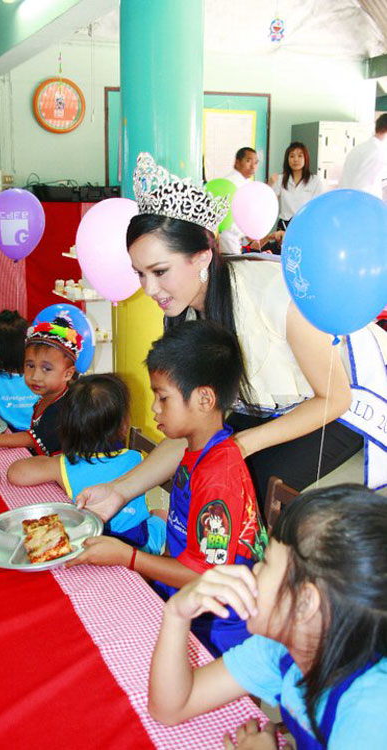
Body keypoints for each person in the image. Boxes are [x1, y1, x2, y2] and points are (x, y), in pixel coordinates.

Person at [76, 152, 362, 516]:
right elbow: (190, 430)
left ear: (202, 257)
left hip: (341, 407)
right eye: (140, 274)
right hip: (265, 408)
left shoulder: (275, 294)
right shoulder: (185, 317)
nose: (149, 289)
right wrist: (119, 491)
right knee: (200, 477)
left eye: (160, 271)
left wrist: (239, 445)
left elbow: (335, 397)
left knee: (237, 489)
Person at [68, 321, 266, 655]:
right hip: (183, 599)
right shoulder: (195, 450)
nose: (154, 409)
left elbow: (202, 576)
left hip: (215, 629)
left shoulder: (219, 476)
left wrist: (129, 557)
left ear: (204, 399)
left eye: (163, 397)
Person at [147, 484, 387, 750]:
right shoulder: (284, 650)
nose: (252, 572)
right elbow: (171, 707)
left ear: (305, 602)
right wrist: (176, 614)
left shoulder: (373, 711)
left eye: (266, 563)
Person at [8, 373, 166, 555]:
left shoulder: (63, 465)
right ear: (123, 426)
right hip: (138, 545)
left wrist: (49, 461)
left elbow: (16, 473)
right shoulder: (137, 458)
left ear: (67, 428)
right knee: (159, 512)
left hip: (89, 540)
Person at [0, 317, 79, 455]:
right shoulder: (45, 396)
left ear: (68, 374)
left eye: (46, 369)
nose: (35, 376)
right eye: (30, 365)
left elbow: (31, 438)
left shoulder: (63, 407)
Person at [269, 141, 323, 248]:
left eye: (300, 156)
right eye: (292, 156)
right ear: (287, 159)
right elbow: (269, 200)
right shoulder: (281, 179)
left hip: (304, 225)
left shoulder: (315, 180)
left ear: (305, 158)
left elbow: (318, 207)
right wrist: (270, 184)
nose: (296, 159)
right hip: (284, 225)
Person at [218, 147, 259, 255]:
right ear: (237, 162)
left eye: (256, 162)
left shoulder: (243, 182)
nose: (253, 166)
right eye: (248, 161)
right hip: (228, 236)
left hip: (233, 237)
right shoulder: (233, 182)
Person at [338, 113, 387, 199]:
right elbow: (363, 188)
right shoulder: (377, 153)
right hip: (363, 206)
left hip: (348, 202)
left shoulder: (360, 148)